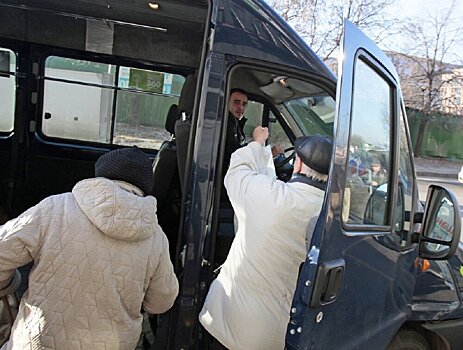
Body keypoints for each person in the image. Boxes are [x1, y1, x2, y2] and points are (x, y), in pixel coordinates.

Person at [0, 146, 179, 350]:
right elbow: (161, 302)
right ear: (145, 186)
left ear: (100, 174)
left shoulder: (55, 208)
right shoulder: (156, 238)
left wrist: (11, 283)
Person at [199, 127, 333, 350]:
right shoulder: (333, 218)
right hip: (278, 335)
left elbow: (237, 170)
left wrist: (258, 143)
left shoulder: (266, 194)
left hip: (230, 322)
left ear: (297, 164)